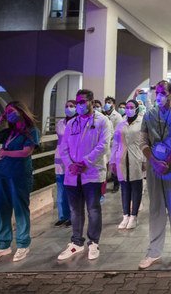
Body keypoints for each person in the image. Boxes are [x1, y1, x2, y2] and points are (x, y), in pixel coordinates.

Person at [138, 80, 171, 270]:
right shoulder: (149, 114)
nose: (158, 96)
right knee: (155, 209)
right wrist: (153, 161)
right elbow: (143, 140)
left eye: (162, 93)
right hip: (154, 168)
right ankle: (154, 251)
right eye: (157, 92)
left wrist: (167, 161)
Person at [57, 89, 112, 261]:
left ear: (90, 101)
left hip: (92, 172)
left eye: (82, 102)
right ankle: (76, 243)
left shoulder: (102, 121)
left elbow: (104, 146)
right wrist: (71, 165)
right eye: (77, 102)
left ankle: (93, 242)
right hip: (72, 173)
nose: (79, 105)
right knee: (75, 210)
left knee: (93, 209)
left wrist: (85, 162)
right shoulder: (71, 123)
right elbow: (63, 147)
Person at [0, 101, 40, 262]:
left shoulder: (31, 131)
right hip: (1, 174)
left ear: (21, 111)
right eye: (6, 112)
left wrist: (6, 153)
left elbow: (26, 152)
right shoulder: (8, 132)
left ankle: (23, 245)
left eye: (11, 111)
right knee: (1, 211)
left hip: (19, 175)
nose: (8, 114)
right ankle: (3, 245)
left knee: (21, 210)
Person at [110, 99, 145, 230]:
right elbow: (115, 143)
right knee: (124, 188)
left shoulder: (142, 123)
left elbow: (146, 142)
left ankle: (134, 216)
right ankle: (125, 215)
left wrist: (145, 160)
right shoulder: (121, 124)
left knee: (136, 188)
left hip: (137, 158)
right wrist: (112, 161)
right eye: (127, 107)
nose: (128, 109)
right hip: (121, 158)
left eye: (131, 107)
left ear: (136, 109)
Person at [54, 100, 75, 227]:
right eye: (66, 106)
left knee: (71, 189)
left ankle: (73, 216)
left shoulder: (78, 123)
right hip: (59, 159)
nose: (68, 108)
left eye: (71, 106)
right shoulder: (60, 123)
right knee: (61, 189)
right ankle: (63, 216)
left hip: (72, 159)